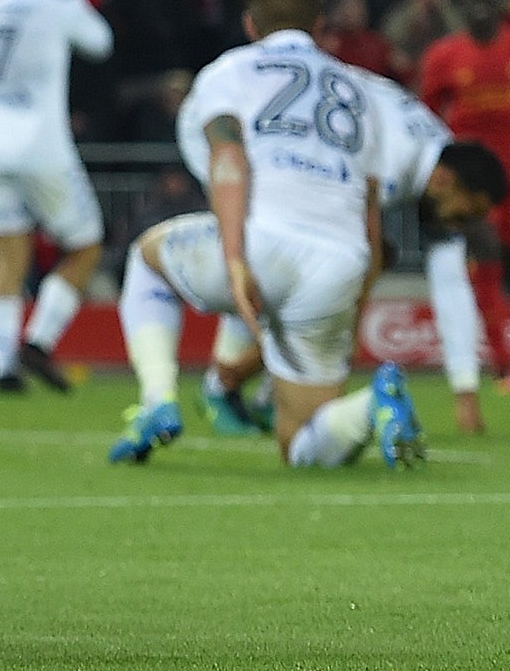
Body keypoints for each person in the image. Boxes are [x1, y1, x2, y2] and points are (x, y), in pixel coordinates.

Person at [111, 0, 423, 469]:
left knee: (146, 261)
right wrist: (357, 294)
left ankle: (156, 402)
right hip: (337, 260)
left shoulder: (229, 71)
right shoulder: (360, 91)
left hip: (261, 242)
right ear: (320, 27)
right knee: (301, 446)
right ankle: (373, 405)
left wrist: (235, 260)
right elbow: (369, 205)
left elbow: (228, 159)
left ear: (250, 24)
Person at [202, 78, 508, 437]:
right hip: (254, 142)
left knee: (324, 280)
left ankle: (265, 391)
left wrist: (465, 392)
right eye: (464, 212)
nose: (462, 224)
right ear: (444, 181)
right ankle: (221, 385)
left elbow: (450, 282)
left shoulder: (434, 154)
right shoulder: (390, 162)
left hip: (306, 148)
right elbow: (354, 269)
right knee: (292, 270)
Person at [0, 0, 114, 395]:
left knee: (8, 260)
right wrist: (79, 1)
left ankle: (3, 369)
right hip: (43, 148)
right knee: (86, 247)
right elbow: (101, 43)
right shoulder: (58, 6)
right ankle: (39, 341)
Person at [416, 0, 510, 384]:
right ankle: (502, 360)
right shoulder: (444, 56)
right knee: (486, 261)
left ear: (500, 3)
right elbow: (425, 119)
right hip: (475, 187)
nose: (478, 8)